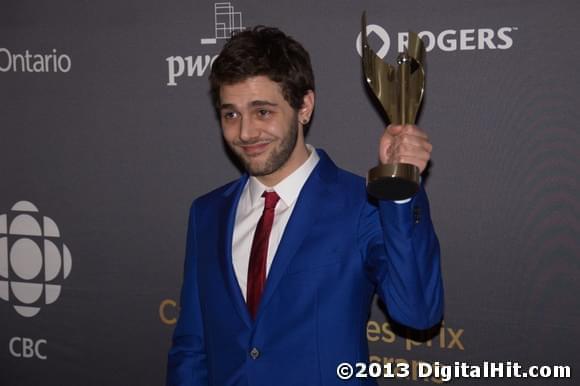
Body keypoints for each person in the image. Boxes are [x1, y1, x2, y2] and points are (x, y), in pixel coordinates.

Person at [167, 26, 443, 386]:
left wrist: (400, 191)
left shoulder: (362, 204)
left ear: (304, 107)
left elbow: (419, 312)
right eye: (230, 114)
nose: (245, 133)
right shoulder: (206, 214)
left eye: (262, 112)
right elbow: (192, 346)